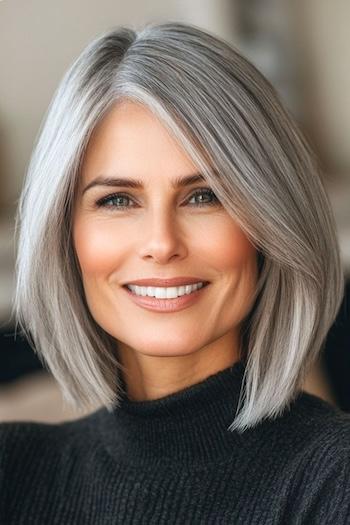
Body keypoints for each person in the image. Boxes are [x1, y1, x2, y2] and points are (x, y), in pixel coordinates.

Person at [1, 21, 350, 524]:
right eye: (117, 199)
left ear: (269, 223)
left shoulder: (332, 480)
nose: (162, 243)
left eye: (204, 196)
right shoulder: (12, 474)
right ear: (64, 234)